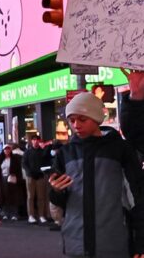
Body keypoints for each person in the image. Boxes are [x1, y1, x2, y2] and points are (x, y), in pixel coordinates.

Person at [48, 92, 144, 258]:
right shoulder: (65, 154)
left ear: (96, 117)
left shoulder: (120, 149)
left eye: (82, 119)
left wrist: (141, 244)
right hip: (75, 243)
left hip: (114, 243)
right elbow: (61, 203)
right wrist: (55, 191)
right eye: (71, 120)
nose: (76, 125)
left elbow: (137, 197)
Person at [22, 135, 50, 224]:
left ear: (39, 141)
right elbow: (24, 163)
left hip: (40, 176)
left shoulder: (42, 152)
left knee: (41, 197)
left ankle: (41, 215)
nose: (35, 141)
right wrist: (29, 172)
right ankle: (31, 215)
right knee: (30, 196)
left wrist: (42, 172)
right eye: (34, 140)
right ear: (31, 141)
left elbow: (46, 162)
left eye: (37, 140)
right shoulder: (27, 152)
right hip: (30, 176)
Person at [0, 144, 23, 220]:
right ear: (3, 150)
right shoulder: (1, 159)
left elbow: (18, 170)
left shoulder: (14, 159)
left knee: (14, 196)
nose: (7, 150)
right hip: (3, 179)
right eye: (5, 149)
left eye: (8, 149)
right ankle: (5, 213)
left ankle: (14, 214)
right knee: (4, 196)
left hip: (12, 179)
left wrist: (18, 178)